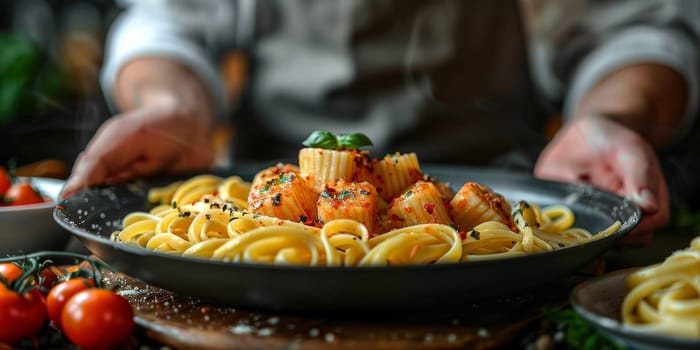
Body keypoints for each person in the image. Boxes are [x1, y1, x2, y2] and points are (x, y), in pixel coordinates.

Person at [61, 0, 699, 245]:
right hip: (261, 207)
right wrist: (169, 107)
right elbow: (164, 24)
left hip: (502, 188)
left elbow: (635, 33)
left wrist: (609, 117)